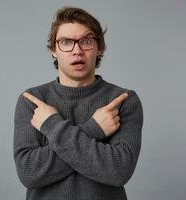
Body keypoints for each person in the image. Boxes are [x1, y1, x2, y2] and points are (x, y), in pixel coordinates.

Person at [13, 6, 143, 200]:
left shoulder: (123, 100)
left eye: (86, 41)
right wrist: (94, 129)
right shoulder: (33, 101)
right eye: (66, 42)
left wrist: (51, 125)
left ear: (99, 48)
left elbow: (119, 171)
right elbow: (30, 173)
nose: (77, 50)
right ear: (53, 51)